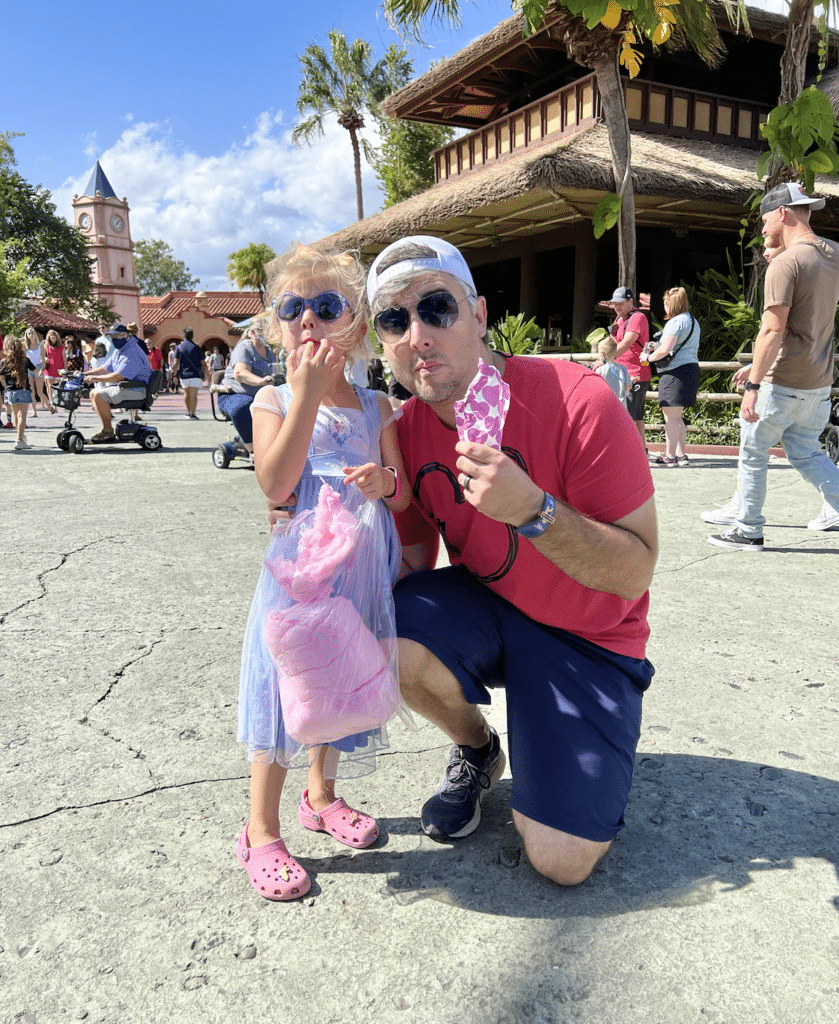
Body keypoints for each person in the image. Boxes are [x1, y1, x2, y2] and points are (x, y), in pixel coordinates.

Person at [365, 236, 657, 886]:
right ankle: (477, 749)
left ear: (479, 315)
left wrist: (533, 511)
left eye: (436, 308)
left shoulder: (576, 400)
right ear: (380, 340)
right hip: (489, 606)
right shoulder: (406, 430)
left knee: (559, 859)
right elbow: (412, 560)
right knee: (381, 633)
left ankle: (569, 743)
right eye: (394, 319)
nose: (418, 335)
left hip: (588, 636)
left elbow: (636, 569)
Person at [236, 246, 411, 902]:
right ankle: (259, 828)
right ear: (277, 326)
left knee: (337, 685)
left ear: (356, 325)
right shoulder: (275, 400)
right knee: (285, 692)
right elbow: (275, 482)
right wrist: (306, 394)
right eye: (292, 309)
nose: (307, 320)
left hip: (360, 566)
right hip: (300, 571)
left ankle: (321, 794)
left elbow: (401, 496)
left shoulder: (375, 407)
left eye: (326, 306)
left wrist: (384, 480)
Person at [708, 182, 839, 549]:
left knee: (753, 450)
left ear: (782, 213)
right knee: (808, 452)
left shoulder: (785, 264)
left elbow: (772, 330)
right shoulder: (833, 254)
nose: (763, 229)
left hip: (782, 382)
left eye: (765, 220)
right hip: (819, 382)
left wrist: (753, 384)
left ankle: (748, 530)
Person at [646, 287, 701, 467]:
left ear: (671, 304)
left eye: (665, 304)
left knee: (670, 415)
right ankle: (680, 454)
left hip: (674, 371)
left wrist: (648, 358)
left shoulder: (675, 322)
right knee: (677, 416)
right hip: (690, 369)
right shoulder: (693, 321)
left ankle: (669, 455)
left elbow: (665, 349)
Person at [83, 323, 152, 443]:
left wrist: (95, 379)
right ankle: (106, 429)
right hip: (127, 387)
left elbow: (118, 377)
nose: (113, 339)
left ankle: (108, 432)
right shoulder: (120, 349)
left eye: (115, 336)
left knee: (99, 395)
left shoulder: (132, 352)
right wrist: (85, 374)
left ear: (124, 335)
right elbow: (106, 367)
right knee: (93, 393)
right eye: (111, 337)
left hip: (137, 389)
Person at [216, 321, 275, 462]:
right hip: (233, 394)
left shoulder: (269, 352)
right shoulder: (244, 347)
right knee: (244, 406)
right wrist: (260, 381)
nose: (267, 334)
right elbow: (240, 373)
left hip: (260, 395)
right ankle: (253, 450)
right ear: (253, 333)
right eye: (264, 330)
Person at [610, 287, 650, 446]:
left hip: (636, 375)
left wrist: (609, 358)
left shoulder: (638, 317)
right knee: (634, 416)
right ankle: (640, 451)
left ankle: (634, 453)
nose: (617, 307)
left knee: (632, 416)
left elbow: (627, 342)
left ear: (630, 302)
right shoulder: (618, 319)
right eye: (614, 304)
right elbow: (611, 342)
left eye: (620, 304)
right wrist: (603, 355)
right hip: (621, 374)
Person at [0, 335, 37, 449]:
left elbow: (1, 378)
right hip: (23, 390)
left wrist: (7, 387)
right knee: (23, 415)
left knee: (16, 414)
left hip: (10, 391)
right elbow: (35, 370)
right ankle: (19, 440)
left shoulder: (4, 362)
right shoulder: (25, 359)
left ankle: (20, 436)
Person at [172, 327, 205, 418]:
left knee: (186, 393)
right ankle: (193, 414)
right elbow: (203, 363)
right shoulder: (197, 347)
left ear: (184, 336)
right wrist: (206, 374)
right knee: (194, 395)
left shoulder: (179, 347)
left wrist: (174, 375)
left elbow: (175, 363)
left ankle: (188, 412)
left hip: (184, 374)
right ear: (192, 336)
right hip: (196, 374)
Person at [593, 336, 631, 407]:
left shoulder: (600, 370)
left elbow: (597, 388)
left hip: (606, 404)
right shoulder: (623, 369)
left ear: (602, 355)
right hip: (621, 405)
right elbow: (628, 386)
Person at [24, 327, 53, 416]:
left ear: (35, 334)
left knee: (40, 392)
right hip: (29, 368)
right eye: (29, 333)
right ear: (26, 335)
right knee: (31, 391)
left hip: (38, 368)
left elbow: (43, 360)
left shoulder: (40, 345)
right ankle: (34, 411)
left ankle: (49, 407)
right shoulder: (25, 346)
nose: (31, 335)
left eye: (32, 333)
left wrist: (42, 369)